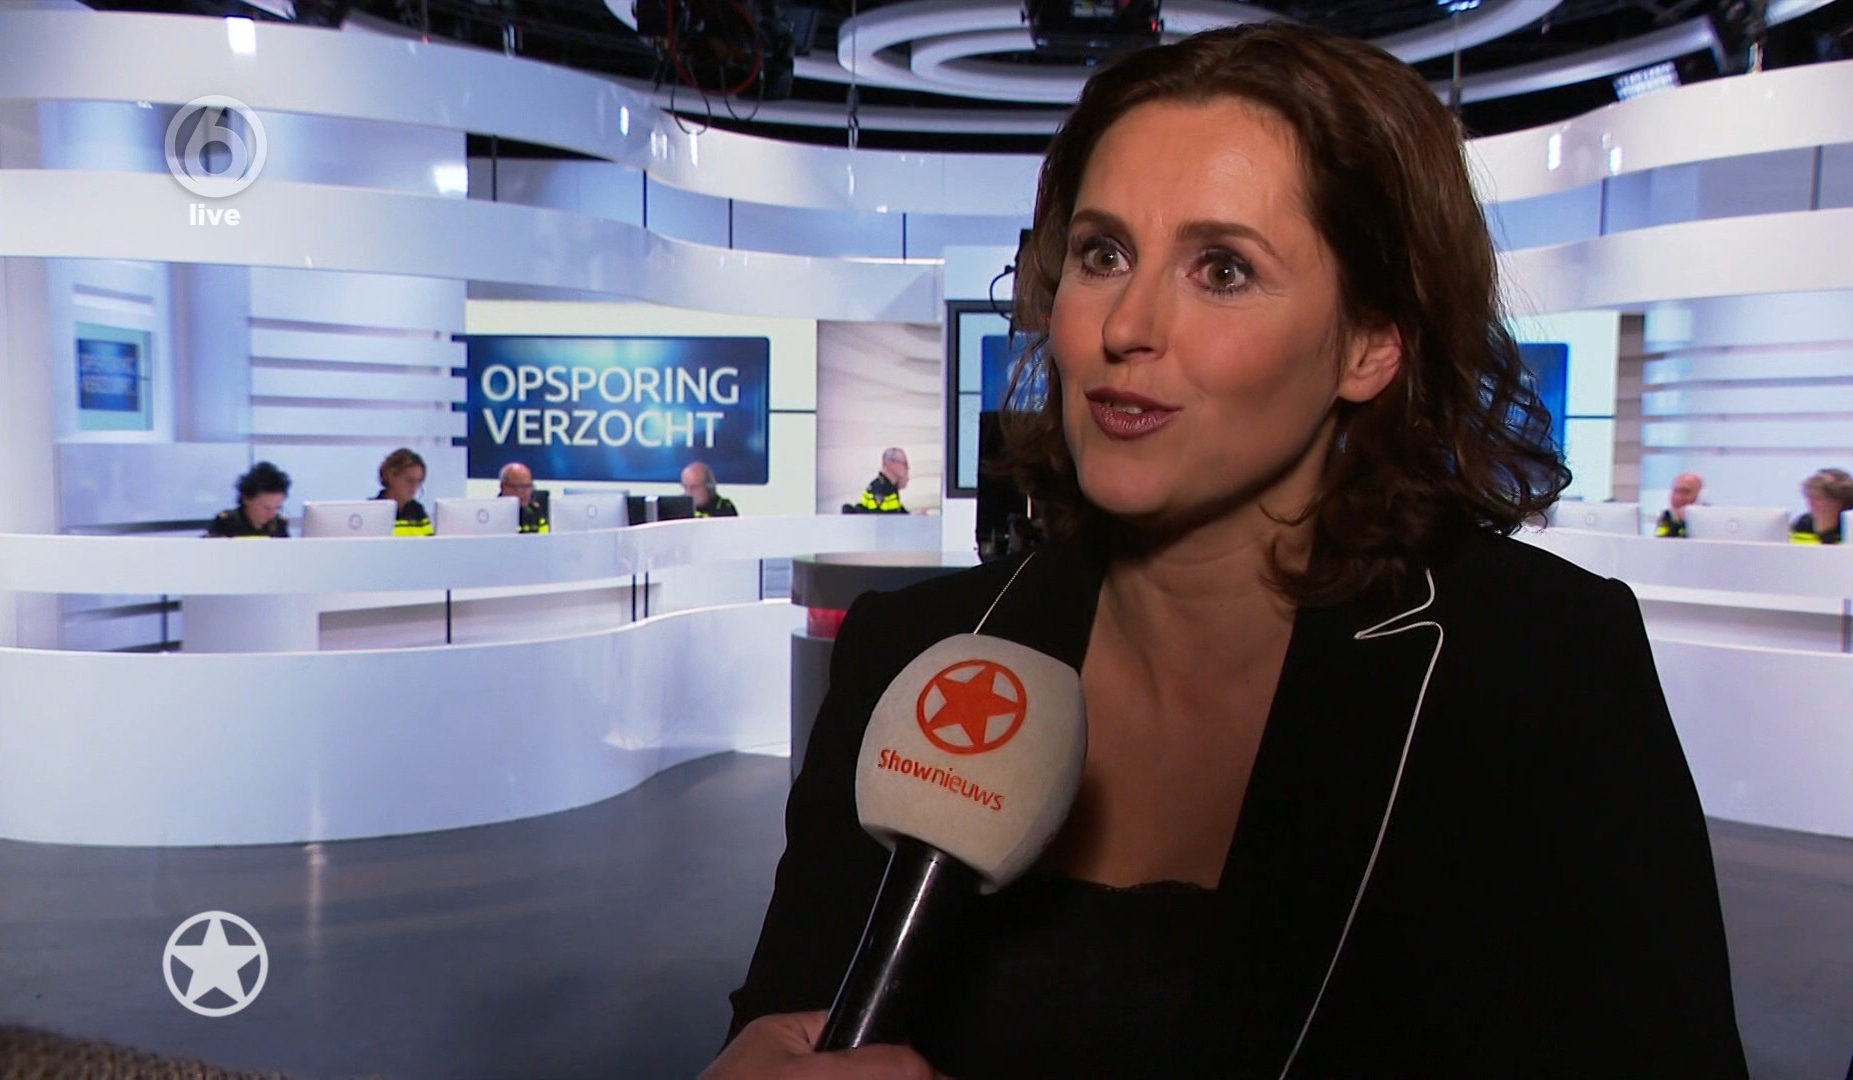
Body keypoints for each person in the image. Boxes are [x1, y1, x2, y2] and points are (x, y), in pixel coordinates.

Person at [712, 23, 1746, 1079]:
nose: (1126, 324)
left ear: (1370, 342)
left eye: (1223, 269)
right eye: (1102, 254)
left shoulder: (1534, 669)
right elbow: (792, 1018)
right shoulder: (917, 653)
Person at [204, 461, 291, 539]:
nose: (271, 514)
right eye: (266, 508)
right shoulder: (226, 522)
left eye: (277, 508)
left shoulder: (279, 525)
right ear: (246, 498)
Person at [1791, 467, 1853, 544]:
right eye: (1809, 497)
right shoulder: (1804, 524)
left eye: (1818, 498)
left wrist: (1825, 533)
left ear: (1839, 502)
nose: (1810, 503)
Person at [374, 448, 432, 537]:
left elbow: (431, 544)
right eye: (409, 480)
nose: (414, 487)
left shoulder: (418, 512)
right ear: (391, 476)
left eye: (419, 482)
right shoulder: (371, 511)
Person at [854, 448, 910, 513]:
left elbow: (897, 512)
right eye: (905, 464)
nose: (907, 468)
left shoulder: (890, 487)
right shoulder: (879, 490)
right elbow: (878, 517)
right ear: (891, 464)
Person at [500, 461, 548, 533]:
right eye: (520, 487)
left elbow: (545, 535)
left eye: (528, 486)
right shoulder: (494, 514)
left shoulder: (536, 512)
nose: (526, 492)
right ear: (504, 487)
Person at [1655, 471, 1704, 538]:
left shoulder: (1708, 518)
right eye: (1675, 491)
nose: (1678, 497)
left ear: (1699, 496)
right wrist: (1677, 521)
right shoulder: (1667, 516)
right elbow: (1661, 540)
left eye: (1685, 492)